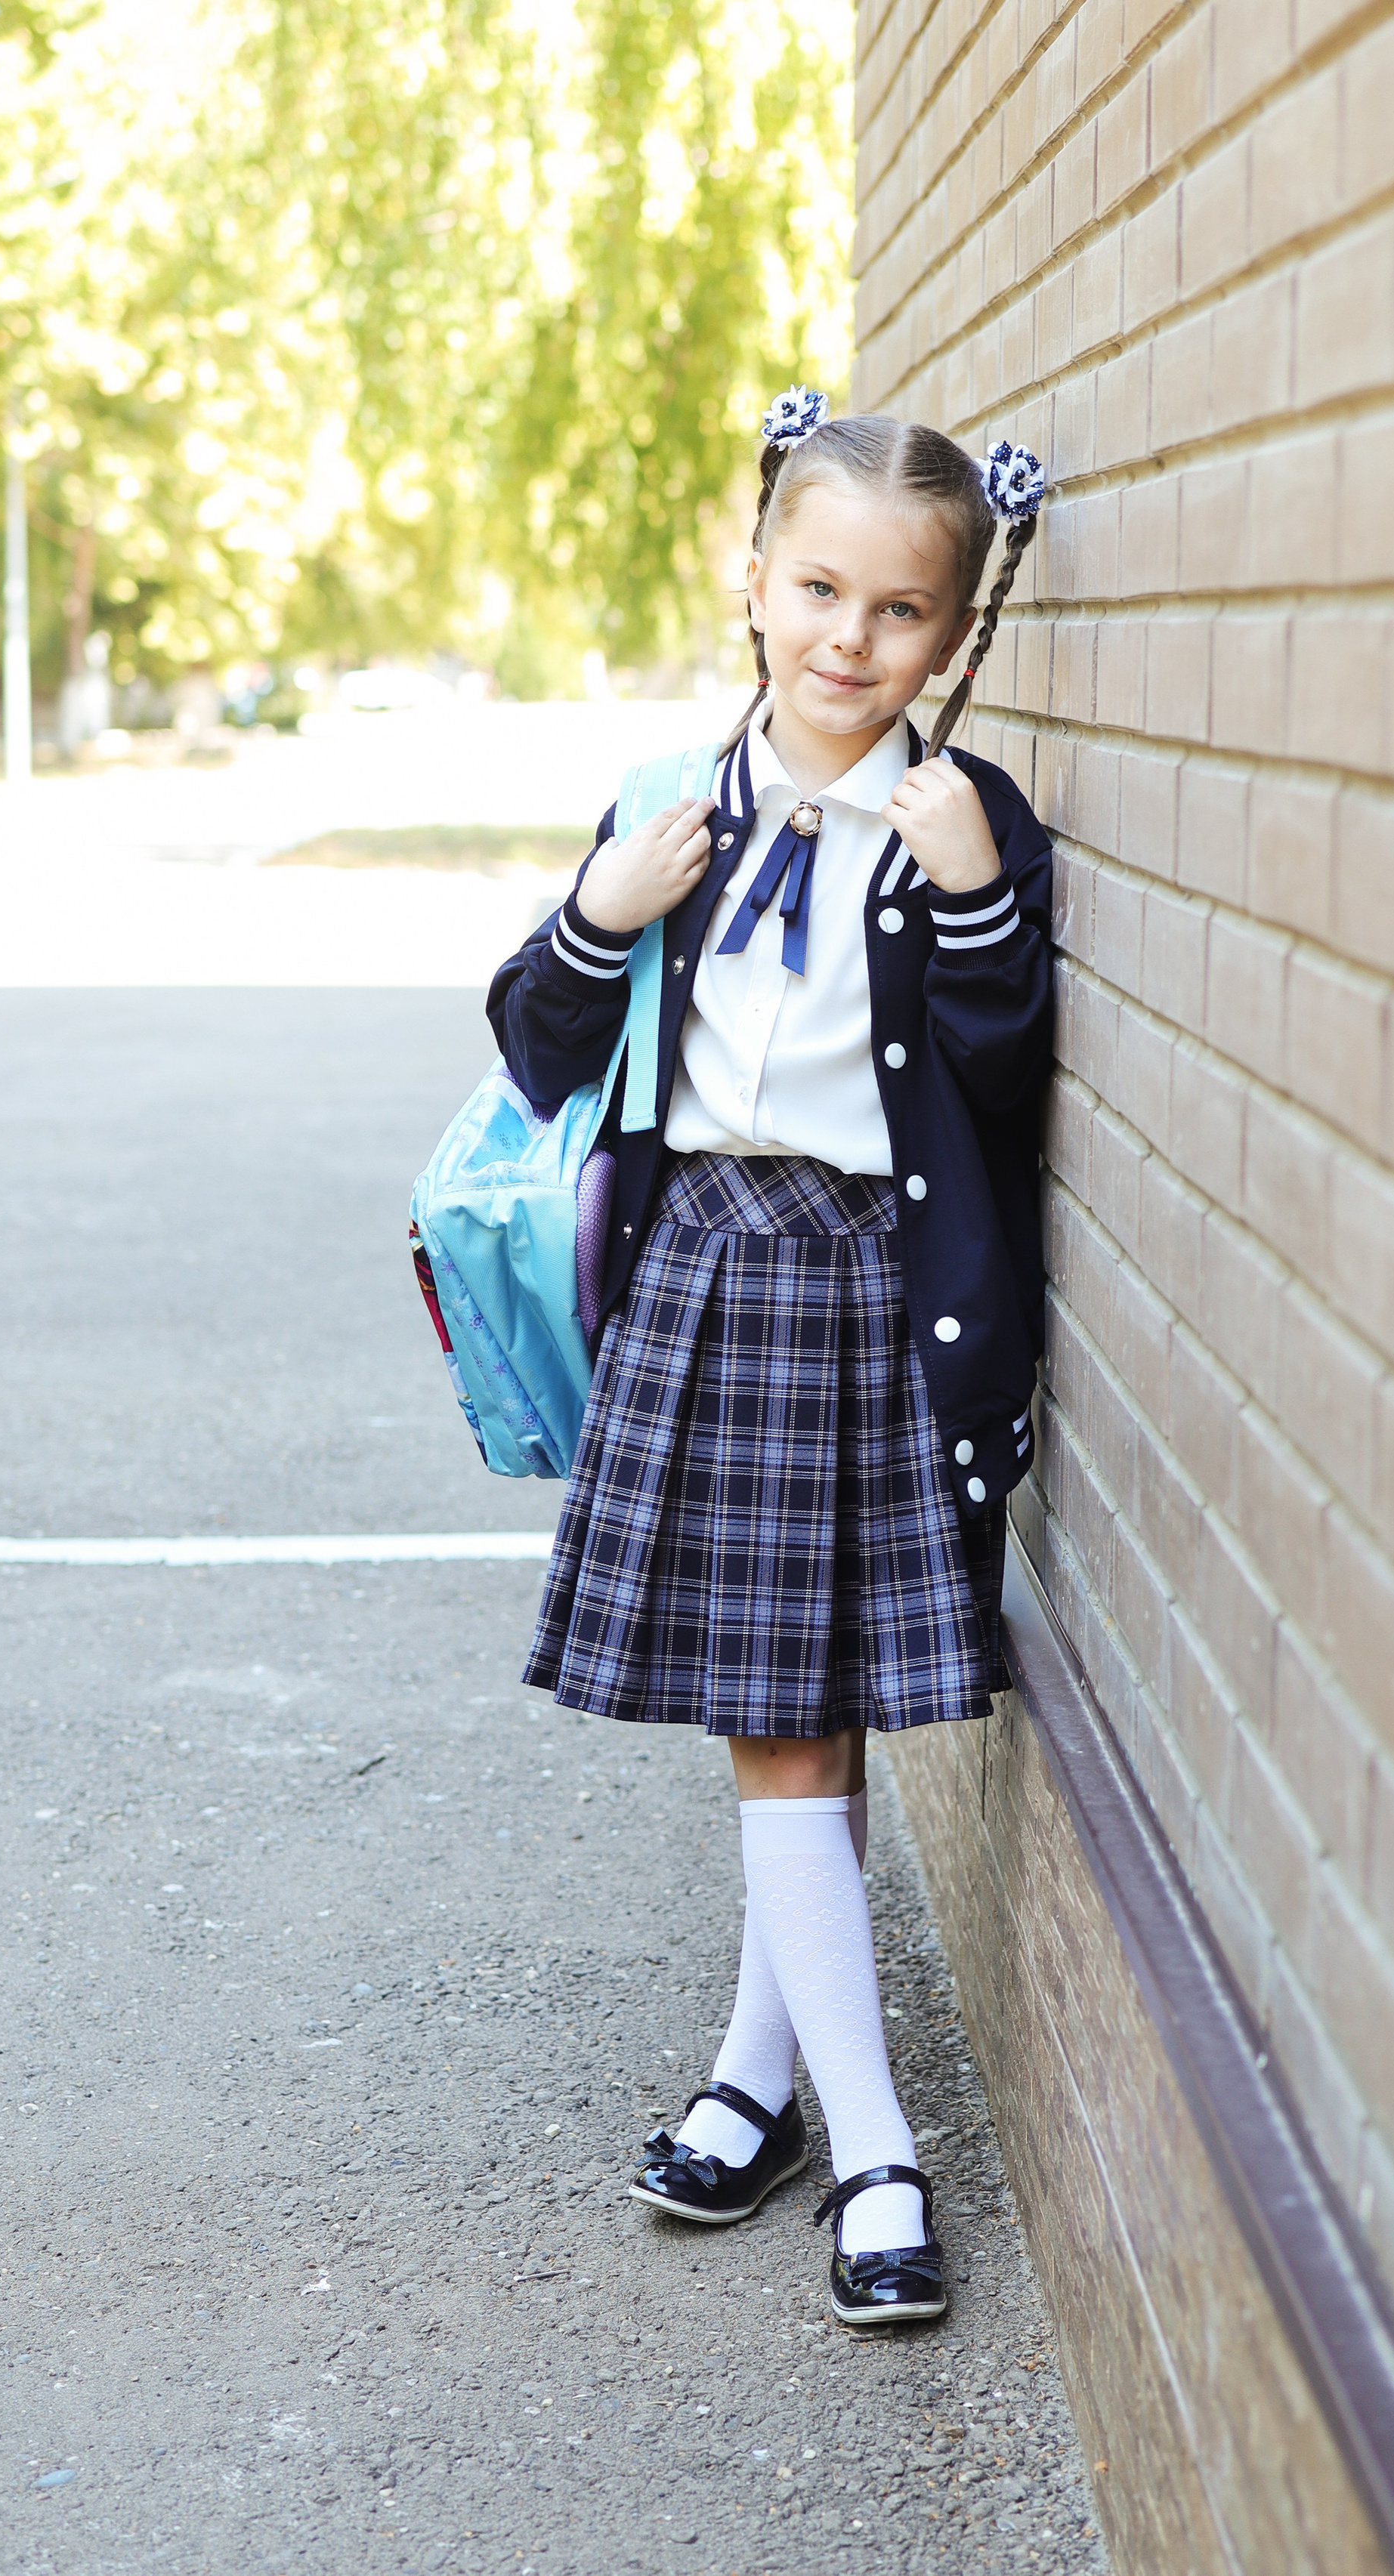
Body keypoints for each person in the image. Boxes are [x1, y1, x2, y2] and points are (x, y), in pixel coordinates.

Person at [487, 391, 1052, 2327]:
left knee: (807, 1715)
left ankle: (759, 2083)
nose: (847, 638)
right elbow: (540, 1050)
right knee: (781, 1726)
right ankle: (873, 2152)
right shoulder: (667, 796)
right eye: (817, 587)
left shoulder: (957, 817)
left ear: (949, 634)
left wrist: (972, 891)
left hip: (878, 1292)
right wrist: (595, 911)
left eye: (899, 611)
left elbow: (997, 1070)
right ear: (752, 579)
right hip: (710, 1280)